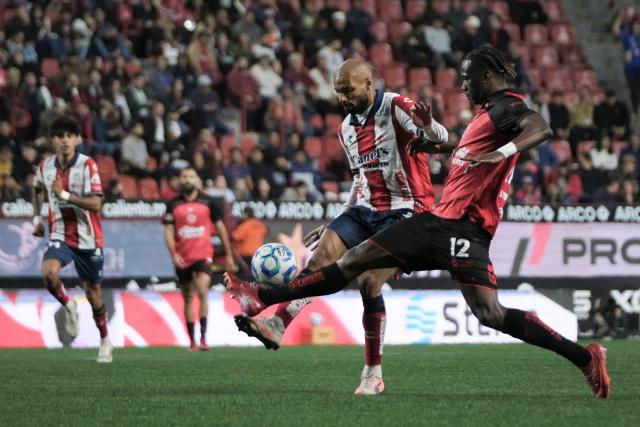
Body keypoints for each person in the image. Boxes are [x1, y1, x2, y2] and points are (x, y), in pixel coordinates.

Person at [225, 47, 611, 399]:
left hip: (454, 224)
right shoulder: (480, 118)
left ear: (487, 78)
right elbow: (452, 147)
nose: (462, 85)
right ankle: (586, 358)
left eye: (467, 78)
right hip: (445, 224)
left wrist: (498, 153)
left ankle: (264, 299)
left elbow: (540, 128)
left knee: (484, 312)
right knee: (357, 264)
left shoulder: (503, 106)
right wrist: (434, 145)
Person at [233, 58, 448, 395]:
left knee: (368, 280)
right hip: (364, 208)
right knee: (318, 261)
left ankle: (372, 373)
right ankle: (276, 324)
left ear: (368, 83)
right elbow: (359, 177)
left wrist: (430, 125)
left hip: (406, 209)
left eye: (348, 90)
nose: (343, 98)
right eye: (338, 92)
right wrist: (338, 218)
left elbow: (441, 136)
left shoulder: (396, 106)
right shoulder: (346, 127)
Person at [31, 117, 112, 363]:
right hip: (60, 234)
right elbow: (36, 188)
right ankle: (68, 305)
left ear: (77, 139)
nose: (65, 140)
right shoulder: (45, 165)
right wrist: (36, 218)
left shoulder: (88, 166)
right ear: (53, 140)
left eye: (69, 135)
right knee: (48, 273)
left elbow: (97, 203)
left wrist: (64, 194)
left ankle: (105, 339)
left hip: (89, 237)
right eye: (60, 135)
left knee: (93, 293)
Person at [163, 167, 236, 351]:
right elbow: (168, 231)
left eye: (191, 176)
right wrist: (174, 254)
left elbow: (220, 228)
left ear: (197, 180)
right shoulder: (172, 204)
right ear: (180, 180)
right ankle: (192, 341)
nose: (188, 179)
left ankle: (203, 338)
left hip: (203, 255)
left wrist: (228, 254)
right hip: (183, 257)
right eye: (184, 176)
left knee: (202, 291)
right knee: (187, 297)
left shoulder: (209, 201)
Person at [231, 207, 269, 275]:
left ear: (246, 214)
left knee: (244, 276)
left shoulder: (245, 225)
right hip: (258, 254)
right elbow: (266, 231)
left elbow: (235, 236)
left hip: (246, 255)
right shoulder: (259, 224)